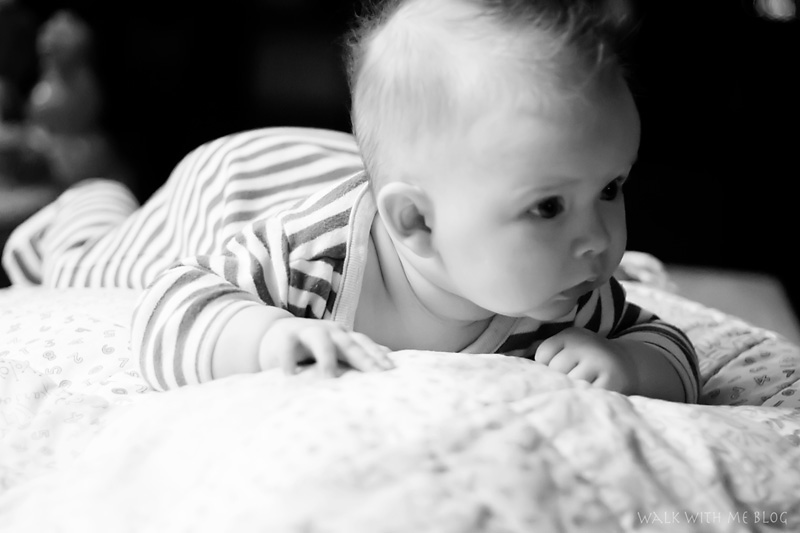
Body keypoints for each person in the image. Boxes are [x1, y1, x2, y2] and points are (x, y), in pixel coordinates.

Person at [1, 0, 699, 403]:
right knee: (89, 265)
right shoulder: (313, 257)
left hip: (365, 169)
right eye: (549, 207)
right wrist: (262, 337)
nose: (599, 239)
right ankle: (85, 201)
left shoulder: (567, 293)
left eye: (610, 188)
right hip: (237, 188)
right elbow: (169, 307)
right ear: (418, 223)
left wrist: (634, 366)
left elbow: (667, 344)